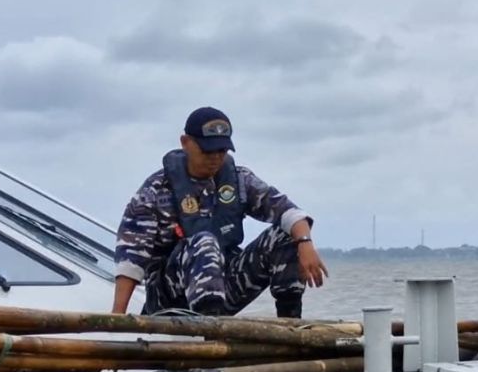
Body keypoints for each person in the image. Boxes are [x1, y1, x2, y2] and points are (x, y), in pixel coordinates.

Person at [112, 107, 328, 318]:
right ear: (186, 143)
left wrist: (305, 241)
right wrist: (117, 319)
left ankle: (290, 326)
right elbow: (130, 260)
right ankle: (209, 336)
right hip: (170, 297)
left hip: (225, 287)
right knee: (205, 241)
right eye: (207, 150)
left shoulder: (239, 180)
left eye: (221, 151)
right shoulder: (155, 190)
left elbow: (289, 212)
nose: (215, 157)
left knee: (288, 234)